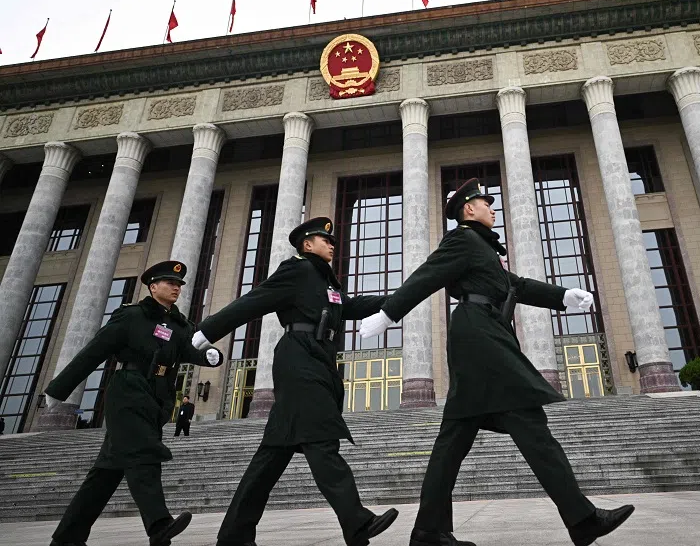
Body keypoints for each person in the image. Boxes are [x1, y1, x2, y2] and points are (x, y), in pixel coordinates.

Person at [359, 179, 635, 546]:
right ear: (468, 209)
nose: (492, 208)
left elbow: (516, 284)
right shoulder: (462, 240)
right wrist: (388, 313)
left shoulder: (483, 249)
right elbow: (428, 275)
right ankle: (581, 518)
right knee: (528, 420)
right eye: (485, 203)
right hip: (480, 338)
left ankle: (429, 532)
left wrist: (564, 295)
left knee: (453, 439)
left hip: (484, 334)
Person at [192, 217, 399, 546]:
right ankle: (356, 521)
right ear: (307, 244)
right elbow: (253, 301)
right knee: (322, 440)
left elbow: (351, 306)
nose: (332, 243)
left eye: (333, 239)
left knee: (270, 458)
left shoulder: (327, 283)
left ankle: (234, 536)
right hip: (299, 361)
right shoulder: (297, 270)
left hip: (318, 361)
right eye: (324, 239)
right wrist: (206, 331)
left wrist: (399, 299)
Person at [44, 260, 224, 546]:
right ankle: (158, 525)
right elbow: (94, 350)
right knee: (144, 454)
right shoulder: (131, 316)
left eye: (179, 284)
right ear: (153, 287)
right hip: (128, 392)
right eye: (170, 283)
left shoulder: (179, 324)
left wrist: (208, 356)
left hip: (156, 397)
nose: (176, 287)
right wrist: (59, 389)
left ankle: (67, 538)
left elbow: (187, 348)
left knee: (105, 474)